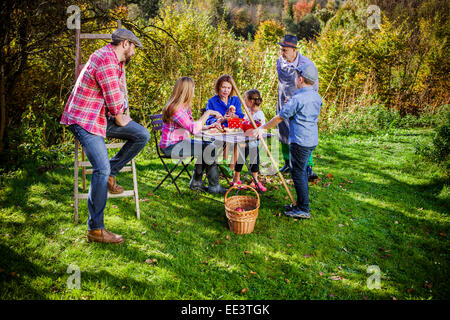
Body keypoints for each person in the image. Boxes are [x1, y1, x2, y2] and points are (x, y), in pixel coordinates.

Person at [61, 29, 150, 244]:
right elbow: (118, 117)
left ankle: (113, 173)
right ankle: (95, 229)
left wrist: (122, 115)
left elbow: (117, 101)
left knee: (142, 134)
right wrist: (122, 117)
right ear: (126, 44)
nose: (135, 52)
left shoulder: (117, 62)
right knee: (100, 168)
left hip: (99, 116)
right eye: (135, 47)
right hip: (83, 119)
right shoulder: (107, 61)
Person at [246, 63, 322, 219]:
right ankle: (300, 204)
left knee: (298, 173)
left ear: (300, 79)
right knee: (300, 171)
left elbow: (279, 117)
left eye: (295, 77)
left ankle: (303, 208)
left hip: (300, 141)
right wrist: (291, 107)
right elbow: (305, 115)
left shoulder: (298, 98)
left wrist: (262, 128)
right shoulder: (316, 96)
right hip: (311, 139)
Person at [159, 77, 227, 195]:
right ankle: (213, 186)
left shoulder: (185, 107)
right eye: (193, 89)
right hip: (170, 147)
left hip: (180, 143)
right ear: (187, 91)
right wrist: (208, 112)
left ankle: (197, 182)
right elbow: (194, 130)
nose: (194, 91)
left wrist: (209, 127)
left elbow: (191, 126)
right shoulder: (175, 109)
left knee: (208, 146)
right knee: (209, 149)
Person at [276, 34, 319, 181]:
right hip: (284, 100)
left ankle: (308, 166)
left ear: (294, 50)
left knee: (301, 134)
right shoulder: (279, 61)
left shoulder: (306, 65)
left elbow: (314, 88)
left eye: (285, 50)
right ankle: (287, 163)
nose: (282, 53)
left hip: (301, 104)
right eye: (281, 49)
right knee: (283, 132)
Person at [205, 75, 245, 177]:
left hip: (234, 131)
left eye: (228, 88)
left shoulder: (235, 100)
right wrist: (219, 120)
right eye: (223, 87)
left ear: (232, 89)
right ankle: (224, 163)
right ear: (218, 87)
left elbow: (241, 116)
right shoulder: (212, 101)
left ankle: (229, 169)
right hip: (219, 134)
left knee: (241, 143)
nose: (225, 90)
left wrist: (233, 116)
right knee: (227, 140)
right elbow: (208, 120)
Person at [231, 89, 267, 192]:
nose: (243, 102)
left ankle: (254, 180)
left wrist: (246, 126)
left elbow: (256, 127)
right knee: (241, 156)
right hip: (244, 140)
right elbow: (244, 124)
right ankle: (236, 178)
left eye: (245, 99)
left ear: (251, 101)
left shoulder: (259, 114)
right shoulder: (248, 112)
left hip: (253, 141)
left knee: (254, 158)